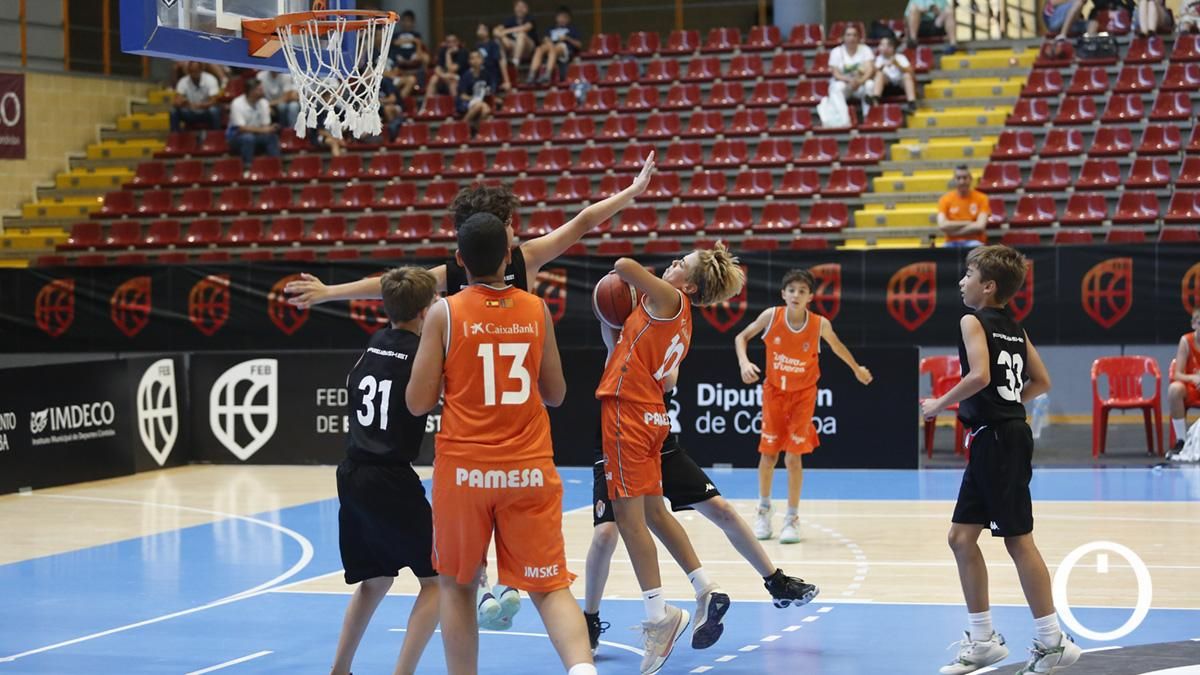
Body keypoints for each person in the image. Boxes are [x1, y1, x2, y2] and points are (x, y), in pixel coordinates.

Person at [406, 212, 596, 675]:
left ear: (459, 261)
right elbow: (556, 394)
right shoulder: (534, 308)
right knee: (550, 588)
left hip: (464, 470)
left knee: (456, 586)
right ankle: (584, 670)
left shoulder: (443, 312)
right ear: (509, 255)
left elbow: (416, 403)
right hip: (527, 466)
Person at [921, 245, 1081, 675]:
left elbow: (979, 377)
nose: (961, 281)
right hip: (998, 436)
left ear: (987, 286)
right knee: (960, 538)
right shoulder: (1014, 326)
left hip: (999, 441)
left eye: (968, 274)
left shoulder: (971, 319)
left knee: (1018, 539)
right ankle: (984, 640)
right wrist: (1009, 404)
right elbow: (1041, 381)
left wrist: (939, 403)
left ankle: (1053, 642)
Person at [595, 244, 745, 674]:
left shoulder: (668, 298)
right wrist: (615, 324)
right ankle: (703, 587)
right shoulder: (677, 317)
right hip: (652, 414)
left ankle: (659, 616)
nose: (674, 263)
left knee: (629, 520)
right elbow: (643, 360)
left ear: (690, 285)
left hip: (628, 413)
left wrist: (625, 286)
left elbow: (622, 265)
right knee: (656, 512)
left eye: (683, 264)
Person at [584, 382, 819, 655]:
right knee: (607, 534)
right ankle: (590, 618)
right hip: (617, 441)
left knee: (717, 509)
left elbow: (670, 380)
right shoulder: (622, 345)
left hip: (657, 440)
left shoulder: (670, 344)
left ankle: (776, 582)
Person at [284, 153, 656, 307]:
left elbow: (584, 221)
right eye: (511, 224)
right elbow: (389, 284)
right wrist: (329, 292)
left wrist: (632, 191)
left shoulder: (460, 270)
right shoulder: (522, 260)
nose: (516, 230)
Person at [330, 266, 441, 675]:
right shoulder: (421, 354)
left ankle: (339, 669)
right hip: (390, 477)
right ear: (427, 311)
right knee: (438, 581)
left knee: (375, 580)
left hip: (352, 472)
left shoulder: (375, 343)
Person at [733, 269, 873, 543]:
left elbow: (837, 346)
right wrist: (744, 362)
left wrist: (856, 369)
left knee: (793, 457)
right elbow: (741, 337)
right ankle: (763, 509)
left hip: (803, 396)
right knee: (768, 455)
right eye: (792, 290)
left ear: (810, 297)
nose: (796, 295)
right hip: (774, 394)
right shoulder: (771, 316)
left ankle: (792, 518)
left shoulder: (819, 324)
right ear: (783, 294)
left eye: (802, 291)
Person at [1167, 308, 1200, 458]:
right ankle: (1182, 441)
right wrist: (1194, 378)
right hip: (1192, 389)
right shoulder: (1186, 341)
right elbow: (1177, 374)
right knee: (1174, 389)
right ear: (1194, 324)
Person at [227, 79, 281, 166]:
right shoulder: (237, 103)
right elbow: (241, 129)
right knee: (248, 138)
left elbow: (265, 125)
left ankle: (276, 165)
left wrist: (270, 129)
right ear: (251, 91)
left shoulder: (264, 103)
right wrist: (264, 130)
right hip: (237, 137)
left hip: (257, 135)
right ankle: (247, 167)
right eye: (259, 89)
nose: (263, 91)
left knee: (271, 136)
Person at [937, 165, 990, 248]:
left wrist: (953, 232)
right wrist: (969, 222)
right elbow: (942, 225)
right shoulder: (944, 199)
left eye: (965, 178)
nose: (962, 181)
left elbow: (980, 226)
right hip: (951, 243)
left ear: (970, 179)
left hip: (975, 242)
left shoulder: (982, 198)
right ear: (954, 180)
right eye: (958, 178)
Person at [527, 6, 582, 84]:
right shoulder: (551, 29)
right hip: (550, 46)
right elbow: (545, 38)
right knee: (539, 49)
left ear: (569, 19)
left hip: (563, 48)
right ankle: (531, 75)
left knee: (554, 49)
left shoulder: (572, 29)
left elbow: (579, 45)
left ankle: (547, 74)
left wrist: (567, 38)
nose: (562, 19)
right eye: (560, 17)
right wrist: (546, 40)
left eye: (564, 17)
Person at [828, 25, 875, 109]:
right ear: (843, 37)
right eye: (848, 35)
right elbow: (836, 74)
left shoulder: (866, 49)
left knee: (870, 84)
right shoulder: (836, 51)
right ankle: (843, 120)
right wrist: (850, 80)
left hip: (860, 84)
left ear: (858, 38)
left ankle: (869, 117)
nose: (852, 38)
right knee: (837, 87)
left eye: (854, 35)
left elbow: (869, 70)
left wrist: (859, 81)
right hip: (845, 84)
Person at [871, 35, 919, 113]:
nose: (884, 48)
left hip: (900, 86)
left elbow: (912, 73)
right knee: (879, 74)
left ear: (893, 48)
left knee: (907, 75)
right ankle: (875, 99)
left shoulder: (900, 57)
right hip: (885, 88)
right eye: (882, 45)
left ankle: (912, 103)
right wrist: (881, 67)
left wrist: (897, 64)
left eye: (887, 45)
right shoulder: (877, 59)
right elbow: (872, 76)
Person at [170, 61, 222, 132]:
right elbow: (177, 100)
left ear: (201, 70)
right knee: (174, 111)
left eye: (196, 71)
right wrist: (180, 102)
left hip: (205, 111)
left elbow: (214, 101)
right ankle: (176, 137)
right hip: (190, 112)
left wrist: (199, 106)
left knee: (214, 110)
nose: (194, 74)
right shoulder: (183, 81)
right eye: (192, 71)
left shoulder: (210, 79)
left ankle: (216, 137)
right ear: (188, 71)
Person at [423, 33, 468, 113]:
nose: (451, 44)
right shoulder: (443, 50)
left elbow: (451, 69)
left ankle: (455, 108)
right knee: (434, 79)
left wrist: (448, 54)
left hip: (460, 80)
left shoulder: (463, 52)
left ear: (458, 42)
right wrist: (443, 76)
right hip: (445, 77)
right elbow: (437, 68)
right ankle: (426, 107)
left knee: (452, 81)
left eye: (453, 41)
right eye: (448, 42)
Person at [390, 10, 430, 100]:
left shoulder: (416, 34)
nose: (406, 23)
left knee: (425, 57)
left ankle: (421, 83)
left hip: (412, 56)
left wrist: (418, 50)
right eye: (404, 21)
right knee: (393, 58)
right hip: (399, 56)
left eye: (409, 21)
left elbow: (419, 46)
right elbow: (395, 43)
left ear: (413, 23)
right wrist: (412, 40)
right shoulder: (397, 34)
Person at [494, 0, 538, 68]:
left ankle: (515, 62)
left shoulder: (530, 18)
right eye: (518, 6)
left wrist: (505, 32)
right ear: (514, 8)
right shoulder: (510, 20)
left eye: (522, 7)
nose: (520, 9)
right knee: (499, 39)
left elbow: (525, 28)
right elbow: (497, 30)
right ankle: (503, 62)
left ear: (526, 9)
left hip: (528, 49)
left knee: (521, 35)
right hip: (514, 47)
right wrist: (500, 35)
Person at [456, 50, 493, 125]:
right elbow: (462, 96)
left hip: (480, 102)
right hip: (466, 102)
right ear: (469, 61)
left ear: (482, 60)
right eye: (472, 58)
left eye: (478, 58)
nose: (475, 60)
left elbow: (489, 90)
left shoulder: (486, 74)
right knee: (480, 106)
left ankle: (475, 129)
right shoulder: (465, 76)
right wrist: (474, 99)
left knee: (485, 111)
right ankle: (462, 125)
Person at [475, 22, 512, 93]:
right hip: (480, 74)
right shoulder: (477, 45)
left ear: (488, 32)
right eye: (478, 28)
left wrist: (507, 81)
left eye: (482, 29)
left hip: (492, 75)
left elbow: (500, 62)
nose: (479, 31)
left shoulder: (493, 44)